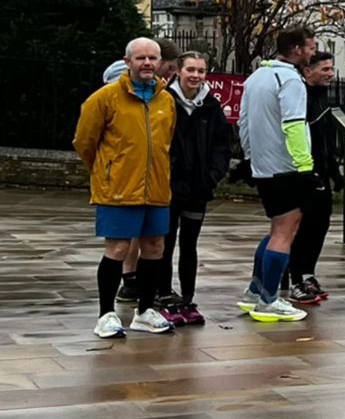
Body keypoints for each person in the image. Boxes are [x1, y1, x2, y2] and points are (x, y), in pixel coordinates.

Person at [76, 38, 178, 338]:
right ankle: (106, 314)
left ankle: (145, 311)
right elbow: (85, 141)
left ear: (160, 62)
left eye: (153, 58)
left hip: (157, 188)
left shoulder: (166, 100)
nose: (147, 63)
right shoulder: (106, 98)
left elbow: (166, 141)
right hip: (119, 189)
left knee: (154, 247)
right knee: (118, 249)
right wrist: (108, 171)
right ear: (128, 61)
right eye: (141, 58)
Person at [235, 27, 319, 323]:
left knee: (275, 229)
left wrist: (249, 157)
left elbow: (243, 121)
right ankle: (269, 299)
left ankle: (255, 291)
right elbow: (294, 124)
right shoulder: (291, 80)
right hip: (287, 167)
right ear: (296, 49)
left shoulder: (256, 76)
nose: (313, 53)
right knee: (286, 232)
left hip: (263, 165)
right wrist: (305, 167)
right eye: (310, 47)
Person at [158, 51, 231, 327]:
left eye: (201, 71)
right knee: (163, 244)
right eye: (191, 69)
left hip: (198, 189)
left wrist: (212, 177)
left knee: (189, 244)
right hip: (167, 189)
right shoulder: (165, 101)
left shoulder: (211, 107)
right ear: (178, 70)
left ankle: (187, 297)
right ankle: (163, 294)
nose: (195, 76)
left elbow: (222, 147)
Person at [286, 51, 339, 305]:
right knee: (302, 228)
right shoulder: (301, 97)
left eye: (331, 68)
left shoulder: (323, 97)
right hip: (305, 173)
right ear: (308, 71)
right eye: (325, 69)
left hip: (323, 173)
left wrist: (334, 170)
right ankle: (295, 278)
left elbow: (327, 139)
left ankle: (308, 273)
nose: (330, 73)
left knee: (320, 225)